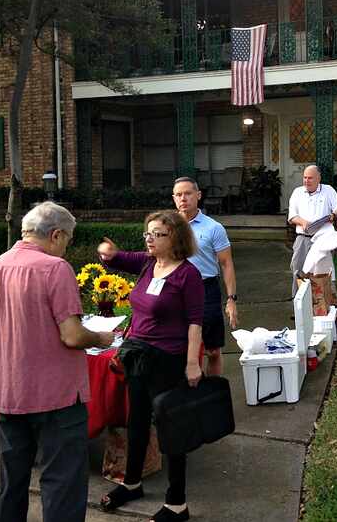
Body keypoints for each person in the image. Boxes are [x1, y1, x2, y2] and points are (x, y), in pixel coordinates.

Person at [0, 202, 114, 522]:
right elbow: (72, 336)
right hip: (57, 398)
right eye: (67, 240)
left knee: (12, 480)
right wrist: (100, 338)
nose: (66, 248)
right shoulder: (55, 268)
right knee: (62, 484)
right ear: (55, 234)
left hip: (9, 392)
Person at [97, 210, 203, 522]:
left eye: (158, 234)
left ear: (176, 239)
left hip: (168, 360)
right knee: (137, 422)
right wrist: (108, 254)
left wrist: (193, 363)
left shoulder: (187, 274)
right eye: (148, 233)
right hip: (137, 356)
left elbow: (195, 324)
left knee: (172, 429)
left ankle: (176, 503)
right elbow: (116, 259)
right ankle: (132, 483)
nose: (149, 239)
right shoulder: (146, 263)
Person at [172, 176, 237, 377]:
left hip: (206, 290)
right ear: (174, 198)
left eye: (188, 193)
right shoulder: (166, 227)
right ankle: (189, 395)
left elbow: (226, 264)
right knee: (180, 349)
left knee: (212, 350)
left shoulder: (213, 228)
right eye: (179, 194)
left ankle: (211, 396)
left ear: (198, 196)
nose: (183, 198)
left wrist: (231, 299)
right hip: (175, 291)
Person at [287, 165, 337, 295]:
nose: (307, 181)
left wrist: (333, 216)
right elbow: (292, 216)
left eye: (310, 178)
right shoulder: (297, 192)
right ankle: (299, 308)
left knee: (324, 273)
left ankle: (328, 307)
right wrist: (303, 222)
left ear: (319, 178)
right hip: (302, 239)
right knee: (298, 272)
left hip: (323, 239)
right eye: (305, 178)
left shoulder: (328, 190)